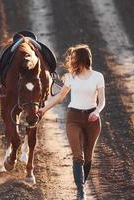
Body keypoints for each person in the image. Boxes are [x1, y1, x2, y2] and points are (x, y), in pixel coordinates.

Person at [38, 44, 105, 200]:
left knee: (88, 157)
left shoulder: (98, 76)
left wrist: (96, 112)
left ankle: (81, 184)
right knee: (78, 157)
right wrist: (43, 110)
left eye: (74, 57)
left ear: (82, 59)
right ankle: (81, 191)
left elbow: (102, 101)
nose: (71, 60)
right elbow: (60, 97)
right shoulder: (70, 77)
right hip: (73, 118)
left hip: (92, 120)